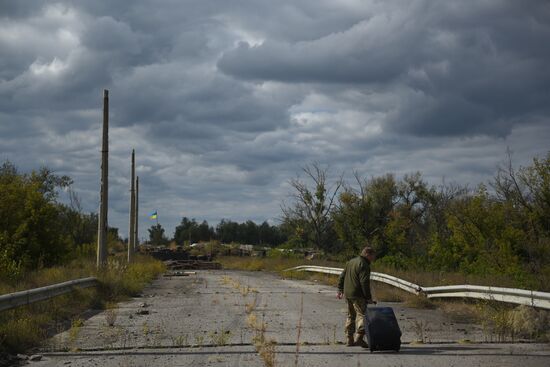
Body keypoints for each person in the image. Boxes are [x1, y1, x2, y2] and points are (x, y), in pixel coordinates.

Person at [337, 245, 376, 347]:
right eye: (372, 256)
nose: (373, 258)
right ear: (367, 254)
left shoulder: (351, 262)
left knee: (351, 316)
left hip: (348, 294)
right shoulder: (364, 265)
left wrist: (340, 289)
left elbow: (342, 276)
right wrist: (368, 298)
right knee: (362, 315)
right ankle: (359, 338)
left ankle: (349, 339)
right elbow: (364, 282)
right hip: (358, 294)